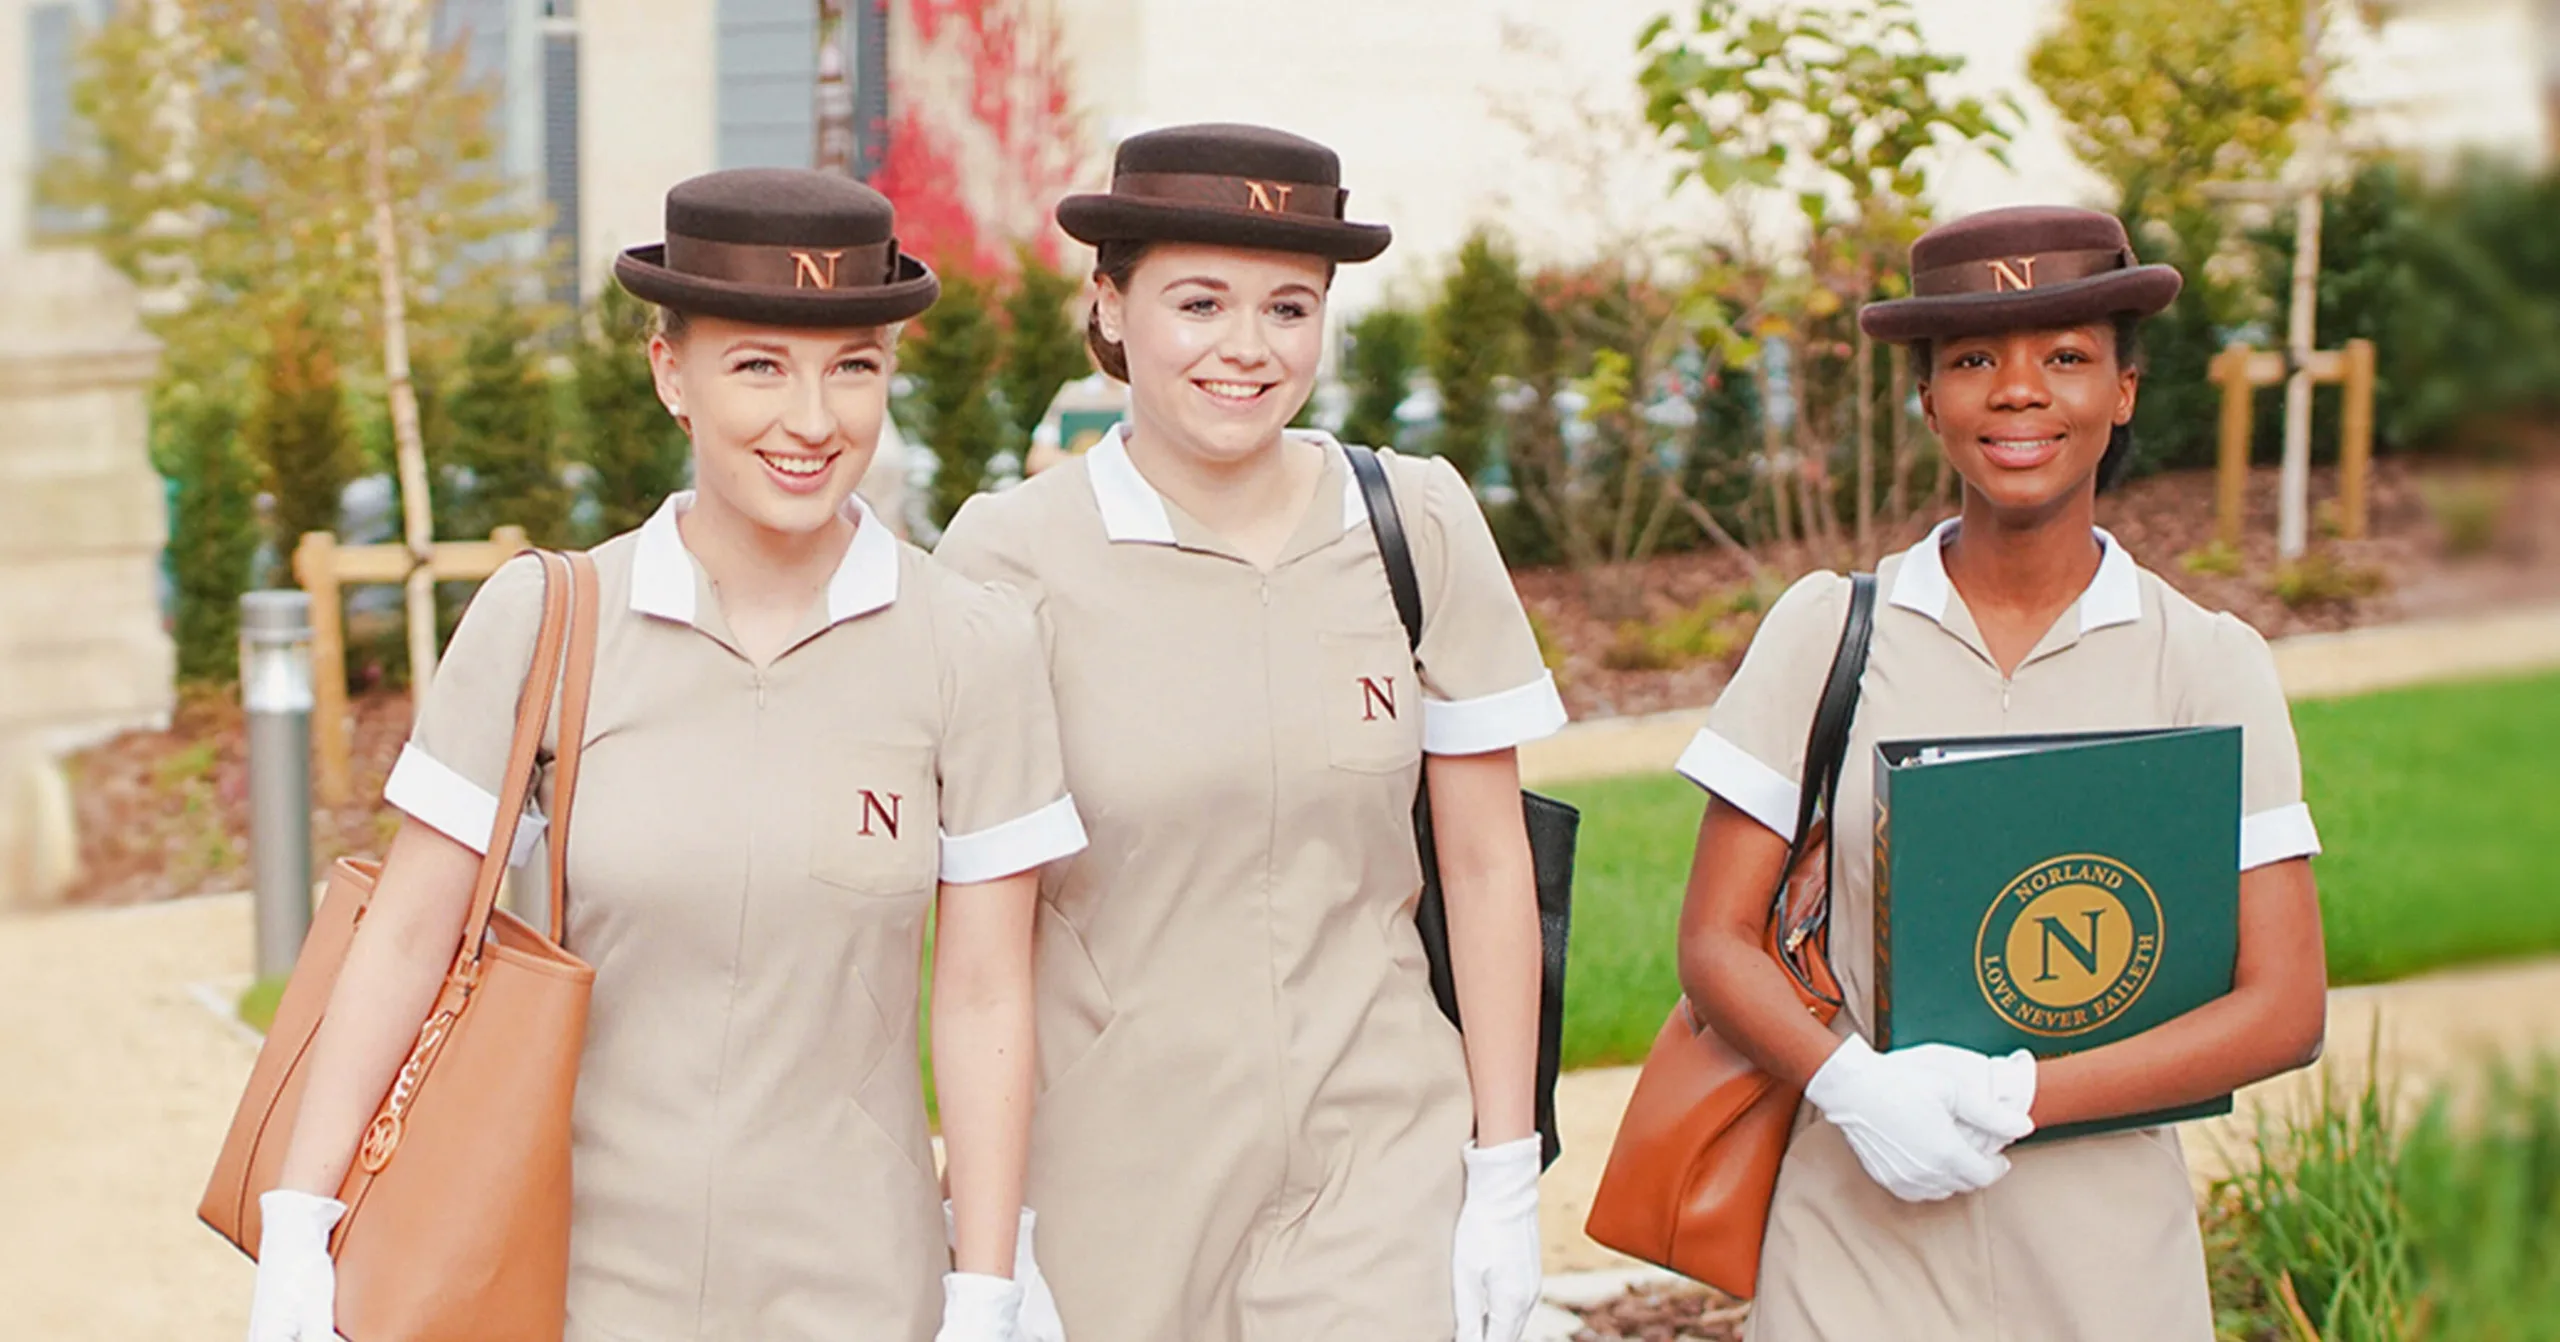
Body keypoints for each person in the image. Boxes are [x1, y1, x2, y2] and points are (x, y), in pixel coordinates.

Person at [242, 168, 1085, 1342]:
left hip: (858, 1290)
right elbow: (408, 933)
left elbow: (987, 992)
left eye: (853, 365)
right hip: (571, 1280)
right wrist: (296, 1222)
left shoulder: (973, 648)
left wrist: (984, 1286)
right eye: (759, 366)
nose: (813, 418)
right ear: (668, 373)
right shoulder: (547, 621)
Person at [935, 123, 1566, 1342]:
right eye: (1198, 301)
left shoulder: (1415, 522)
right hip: (1113, 1186)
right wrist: (994, 1249)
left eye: (1288, 307)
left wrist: (1500, 1174)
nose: (1246, 348)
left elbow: (1488, 868)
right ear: (1109, 307)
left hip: (1379, 1161)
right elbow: (979, 947)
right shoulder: (1006, 560)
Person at [1671, 205, 2329, 1340]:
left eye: (2066, 357)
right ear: (1927, 396)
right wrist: (1852, 1088)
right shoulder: (1827, 632)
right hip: (1852, 1244)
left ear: (2123, 389)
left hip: (2108, 1265)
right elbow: (1715, 939)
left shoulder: (2206, 663)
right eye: (1973, 359)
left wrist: (2014, 1095)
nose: (2018, 391)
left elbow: (2284, 1006)